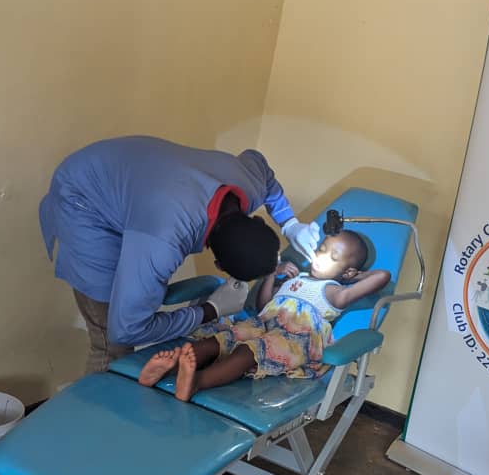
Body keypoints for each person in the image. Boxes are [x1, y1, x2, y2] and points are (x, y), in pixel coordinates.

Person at [39, 136, 322, 373]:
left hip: (131, 177)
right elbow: (125, 329)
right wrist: (211, 310)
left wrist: (290, 224)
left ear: (258, 221)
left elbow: (266, 174)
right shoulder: (163, 239)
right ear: (217, 263)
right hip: (82, 198)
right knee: (111, 343)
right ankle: (94, 430)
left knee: (133, 308)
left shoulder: (250, 180)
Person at [138, 230, 390, 401]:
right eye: (322, 249)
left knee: (250, 351)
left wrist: (352, 277)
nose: (321, 256)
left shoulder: (335, 292)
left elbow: (382, 277)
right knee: (226, 336)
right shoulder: (296, 279)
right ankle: (170, 368)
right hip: (263, 323)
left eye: (333, 257)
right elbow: (264, 304)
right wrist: (272, 273)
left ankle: (197, 382)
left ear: (347, 272)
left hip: (293, 337)